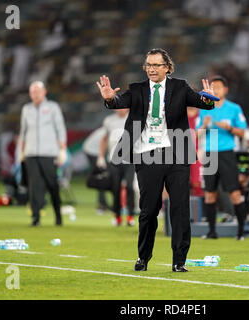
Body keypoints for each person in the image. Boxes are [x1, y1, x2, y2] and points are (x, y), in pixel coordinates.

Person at [96, 48, 215, 272]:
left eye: (156, 65)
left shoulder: (180, 87)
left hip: (177, 154)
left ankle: (179, 261)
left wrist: (208, 100)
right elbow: (119, 101)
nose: (151, 68)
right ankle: (143, 257)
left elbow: (201, 102)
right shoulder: (137, 89)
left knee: (180, 209)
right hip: (147, 154)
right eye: (148, 65)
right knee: (149, 210)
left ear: (167, 67)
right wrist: (110, 99)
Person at [196, 76, 248, 240]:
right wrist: (204, 125)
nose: (216, 89)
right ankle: (212, 232)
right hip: (210, 154)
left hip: (226, 154)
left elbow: (242, 132)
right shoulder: (204, 109)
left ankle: (241, 232)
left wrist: (229, 127)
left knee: (234, 193)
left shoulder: (234, 108)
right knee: (210, 193)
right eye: (213, 87)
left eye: (218, 86)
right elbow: (196, 134)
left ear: (225, 89)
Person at [19, 81, 67, 227]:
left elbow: (60, 129)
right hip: (31, 153)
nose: (35, 94)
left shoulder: (53, 107)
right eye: (33, 92)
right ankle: (35, 218)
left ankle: (58, 215)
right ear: (30, 94)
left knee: (53, 185)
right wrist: (21, 152)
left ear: (44, 92)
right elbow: (23, 132)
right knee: (34, 186)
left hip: (49, 153)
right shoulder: (26, 109)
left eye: (38, 91)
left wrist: (62, 150)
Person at [98, 109, 136, 227]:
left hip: (130, 159)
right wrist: (100, 156)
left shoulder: (134, 118)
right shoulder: (109, 121)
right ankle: (117, 216)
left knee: (130, 187)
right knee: (116, 188)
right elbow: (104, 139)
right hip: (114, 159)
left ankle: (130, 216)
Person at [82, 127, 109, 214]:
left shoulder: (112, 126)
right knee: (100, 177)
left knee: (102, 176)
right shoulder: (113, 128)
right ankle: (102, 205)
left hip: (92, 149)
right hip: (92, 151)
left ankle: (103, 203)